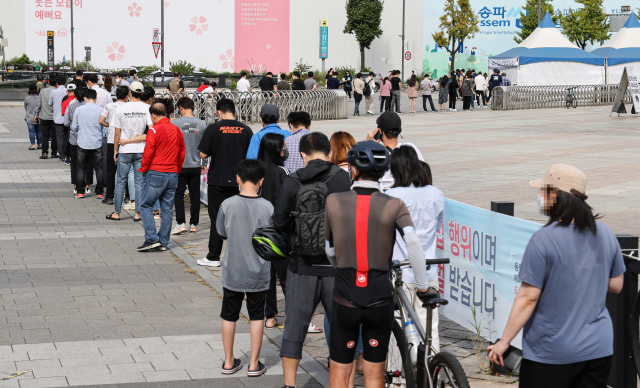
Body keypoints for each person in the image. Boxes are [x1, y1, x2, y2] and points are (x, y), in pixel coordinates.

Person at [488, 164, 625, 388]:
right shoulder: (605, 233)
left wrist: (504, 341)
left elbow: (528, 298)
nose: (540, 197)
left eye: (544, 191)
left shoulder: (543, 240)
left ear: (556, 195)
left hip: (551, 352)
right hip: (598, 349)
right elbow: (617, 284)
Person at [324, 141, 430, 388]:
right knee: (374, 375)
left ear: (353, 169)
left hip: (344, 295)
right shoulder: (395, 204)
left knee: (339, 373)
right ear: (383, 173)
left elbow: (329, 249)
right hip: (379, 297)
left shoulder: (333, 201)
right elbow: (413, 242)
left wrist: (339, 265)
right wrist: (423, 285)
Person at [273, 132, 351, 388]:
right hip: (336, 269)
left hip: (301, 267)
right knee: (341, 330)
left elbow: (279, 222)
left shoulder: (292, 181)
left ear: (302, 155)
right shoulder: (342, 178)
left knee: (295, 328)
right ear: (329, 154)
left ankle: (289, 384)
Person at [218, 159, 272, 377]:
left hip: (233, 269)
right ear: (261, 181)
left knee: (229, 315)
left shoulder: (227, 204)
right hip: (258, 270)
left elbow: (222, 232)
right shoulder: (267, 206)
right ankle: (253, 363)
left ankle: (229, 361)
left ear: (238, 178)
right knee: (257, 315)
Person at [386, 146, 443, 353]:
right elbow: (438, 227)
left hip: (400, 270)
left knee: (397, 327)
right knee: (430, 327)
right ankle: (432, 371)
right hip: (428, 270)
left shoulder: (391, 195)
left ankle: (400, 380)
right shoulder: (435, 193)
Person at [197, 99, 253, 267]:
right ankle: (241, 258)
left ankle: (213, 257)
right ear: (234, 112)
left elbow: (202, 155)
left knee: (217, 218)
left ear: (218, 112)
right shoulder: (246, 129)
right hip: (240, 181)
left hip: (218, 179)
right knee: (240, 219)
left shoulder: (213, 128)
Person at [137, 99, 185, 251]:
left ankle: (151, 238)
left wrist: (143, 169)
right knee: (167, 209)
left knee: (145, 205)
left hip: (156, 172)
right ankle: (163, 242)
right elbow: (181, 153)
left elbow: (148, 153)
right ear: (166, 113)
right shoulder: (177, 130)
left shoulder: (154, 130)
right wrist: (176, 170)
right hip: (172, 173)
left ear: (153, 116)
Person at [257, 133, 290, 329]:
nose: (284, 150)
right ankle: (293, 314)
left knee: (267, 277)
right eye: (282, 146)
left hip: (260, 230)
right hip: (279, 231)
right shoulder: (281, 172)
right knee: (286, 277)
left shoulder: (255, 171)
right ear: (275, 149)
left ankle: (269, 316)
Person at [107, 82, 152, 222]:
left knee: (120, 181)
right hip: (141, 148)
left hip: (124, 149)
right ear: (142, 93)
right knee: (139, 182)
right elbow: (151, 128)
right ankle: (138, 213)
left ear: (130, 93)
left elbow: (116, 133)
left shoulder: (120, 108)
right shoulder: (147, 108)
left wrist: (115, 151)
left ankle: (116, 212)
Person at [171, 97, 207, 235]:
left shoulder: (174, 123)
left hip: (179, 165)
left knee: (178, 194)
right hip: (195, 164)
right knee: (195, 194)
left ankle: (180, 223)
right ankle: (194, 223)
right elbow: (205, 147)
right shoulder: (201, 124)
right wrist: (203, 164)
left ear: (180, 108)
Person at [365, 111, 424, 190]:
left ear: (380, 131)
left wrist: (367, 145)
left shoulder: (374, 154)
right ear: (400, 130)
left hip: (384, 198)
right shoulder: (411, 148)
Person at [71, 89, 106, 199]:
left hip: (82, 142)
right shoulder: (101, 110)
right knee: (99, 169)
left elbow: (74, 127)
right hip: (97, 142)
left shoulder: (79, 110)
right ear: (96, 99)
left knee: (81, 168)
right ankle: (99, 192)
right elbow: (105, 128)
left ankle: (80, 191)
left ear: (85, 97)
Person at [99, 86, 129, 205]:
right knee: (127, 170)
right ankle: (128, 196)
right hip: (125, 141)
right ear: (127, 95)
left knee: (111, 170)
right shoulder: (128, 107)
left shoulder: (109, 106)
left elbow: (101, 120)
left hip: (112, 140)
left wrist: (110, 126)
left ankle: (110, 196)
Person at [49, 76, 68, 162]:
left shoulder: (53, 92)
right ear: (65, 84)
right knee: (67, 137)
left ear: (56, 84)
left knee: (59, 137)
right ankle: (68, 153)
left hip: (57, 118)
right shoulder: (68, 91)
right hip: (67, 118)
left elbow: (50, 103)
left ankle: (61, 155)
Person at [25, 84, 42, 151]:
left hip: (30, 117)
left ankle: (33, 145)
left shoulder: (27, 98)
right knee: (39, 131)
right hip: (39, 116)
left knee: (31, 131)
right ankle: (39, 144)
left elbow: (26, 107)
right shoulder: (39, 97)